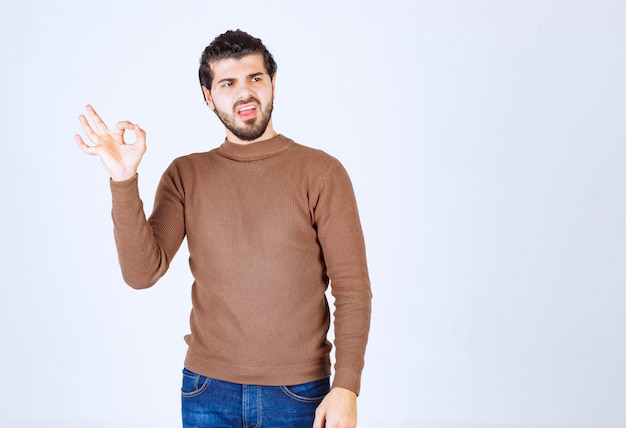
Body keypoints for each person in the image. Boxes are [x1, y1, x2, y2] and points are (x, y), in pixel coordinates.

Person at [75, 29, 372, 428]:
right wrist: (124, 180)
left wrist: (347, 387)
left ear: (273, 84)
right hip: (207, 390)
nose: (244, 93)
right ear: (208, 96)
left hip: (301, 393)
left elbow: (351, 288)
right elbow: (141, 273)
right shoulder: (186, 174)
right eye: (227, 83)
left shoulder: (321, 172)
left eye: (255, 78)